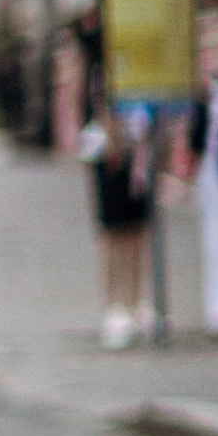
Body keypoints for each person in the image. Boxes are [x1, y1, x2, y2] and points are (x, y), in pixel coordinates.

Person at [79, 96, 154, 349]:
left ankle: (135, 301)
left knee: (135, 245)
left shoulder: (138, 124)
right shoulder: (95, 134)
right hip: (111, 200)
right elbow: (90, 165)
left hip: (133, 196)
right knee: (113, 248)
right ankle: (115, 303)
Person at [188, 71, 218, 338]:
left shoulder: (211, 99)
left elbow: (195, 143)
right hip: (216, 180)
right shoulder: (210, 98)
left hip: (215, 179)